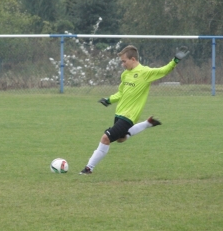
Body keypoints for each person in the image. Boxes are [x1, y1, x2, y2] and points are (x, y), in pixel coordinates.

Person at [80, 45, 189, 174]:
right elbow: (121, 93)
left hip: (130, 116)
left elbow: (164, 70)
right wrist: (109, 100)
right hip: (119, 113)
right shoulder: (125, 74)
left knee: (105, 138)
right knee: (121, 139)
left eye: (124, 61)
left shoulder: (145, 72)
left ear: (133, 59)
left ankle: (88, 168)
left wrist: (175, 61)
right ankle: (147, 123)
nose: (122, 64)